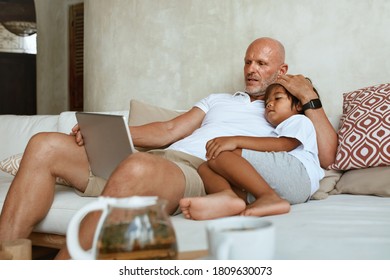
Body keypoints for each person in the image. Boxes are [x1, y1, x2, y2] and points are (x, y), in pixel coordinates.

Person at [0, 37, 337, 259]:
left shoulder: (285, 110)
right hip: (154, 156)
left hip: (189, 170)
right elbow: (168, 130)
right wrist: (106, 132)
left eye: (262, 64)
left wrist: (309, 100)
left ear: (282, 71)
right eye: (248, 62)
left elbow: (324, 155)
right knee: (44, 144)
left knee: (137, 169)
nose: (251, 69)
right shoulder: (218, 100)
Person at [180, 83, 324, 220]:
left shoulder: (299, 120)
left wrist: (235, 140)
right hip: (289, 190)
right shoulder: (275, 131)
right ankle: (228, 197)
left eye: (278, 98)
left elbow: (284, 144)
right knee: (205, 167)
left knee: (220, 155)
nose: (269, 104)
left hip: (298, 173)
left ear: (299, 105)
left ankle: (268, 197)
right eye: (267, 101)